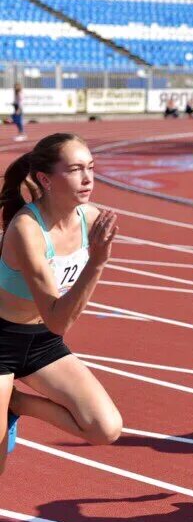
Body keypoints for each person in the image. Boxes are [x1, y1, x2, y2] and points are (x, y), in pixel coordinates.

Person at [0, 133, 122, 475]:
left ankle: (17, 402)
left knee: (105, 428)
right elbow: (59, 319)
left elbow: (53, 324)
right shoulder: (27, 229)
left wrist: (96, 260)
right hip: (2, 337)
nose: (87, 178)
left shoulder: (92, 220)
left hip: (41, 341)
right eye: (75, 169)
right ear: (45, 179)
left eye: (91, 168)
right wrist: (97, 262)